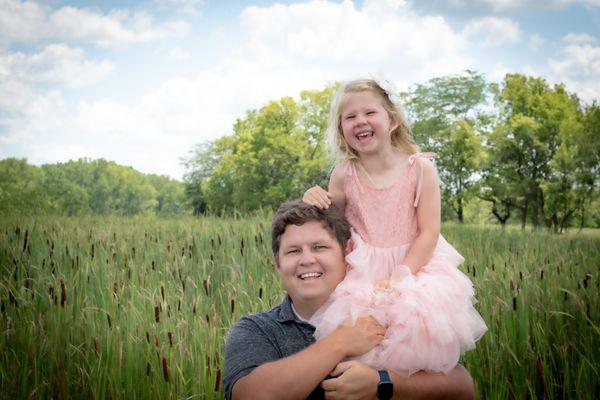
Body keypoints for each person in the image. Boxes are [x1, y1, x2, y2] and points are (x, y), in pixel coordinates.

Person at [302, 78, 487, 376]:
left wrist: (402, 275)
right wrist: (313, 198)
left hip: (414, 268)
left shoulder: (420, 169)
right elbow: (331, 223)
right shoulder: (343, 175)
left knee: (412, 353)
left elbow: (429, 232)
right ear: (341, 131)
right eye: (350, 117)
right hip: (363, 274)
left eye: (369, 113)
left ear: (393, 120)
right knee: (366, 352)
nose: (360, 121)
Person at [223, 200, 475, 399]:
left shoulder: (386, 307)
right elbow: (250, 395)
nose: (307, 259)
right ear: (277, 264)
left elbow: (462, 387)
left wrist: (383, 384)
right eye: (293, 251)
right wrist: (339, 342)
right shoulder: (257, 329)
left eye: (319, 247)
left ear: (347, 253)